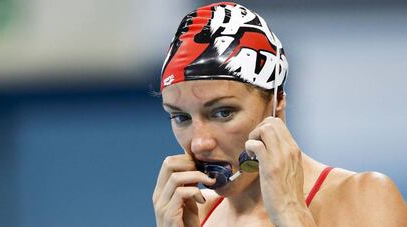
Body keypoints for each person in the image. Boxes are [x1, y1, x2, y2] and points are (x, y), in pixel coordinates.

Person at [152, 2, 407, 226]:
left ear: (278, 100)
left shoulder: (364, 199)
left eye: (222, 112)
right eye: (181, 118)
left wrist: (291, 213)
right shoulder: (194, 212)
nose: (199, 143)